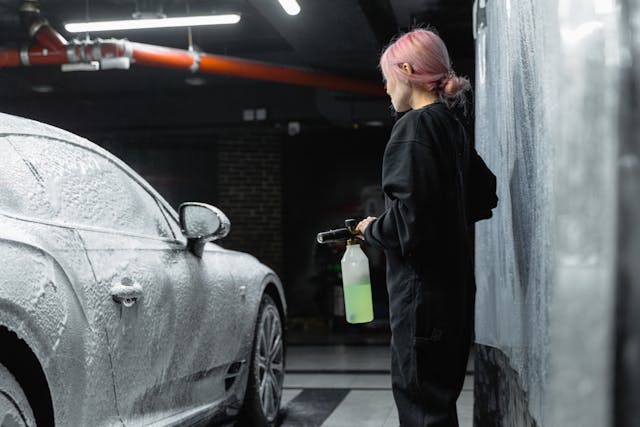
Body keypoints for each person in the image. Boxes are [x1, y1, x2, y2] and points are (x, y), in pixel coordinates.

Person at [356, 28, 497, 427]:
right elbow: (485, 194)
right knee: (437, 405)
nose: (386, 90)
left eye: (388, 78)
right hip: (453, 294)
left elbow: (407, 224)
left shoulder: (414, 127)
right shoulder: (451, 126)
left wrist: (371, 229)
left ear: (405, 70)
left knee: (420, 407)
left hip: (422, 296)